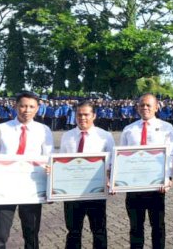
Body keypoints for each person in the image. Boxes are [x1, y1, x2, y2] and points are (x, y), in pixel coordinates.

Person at [0, 91, 54, 249]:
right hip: (4, 189)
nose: (27, 110)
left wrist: (52, 186)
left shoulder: (44, 131)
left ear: (38, 108)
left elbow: (50, 159)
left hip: (32, 189)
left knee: (31, 236)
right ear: (16, 106)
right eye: (23, 106)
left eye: (31, 106)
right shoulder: (0, 129)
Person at [119, 94, 173, 249]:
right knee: (135, 227)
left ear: (156, 107)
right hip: (134, 186)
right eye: (142, 105)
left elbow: (171, 154)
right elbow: (121, 158)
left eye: (148, 105)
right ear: (137, 107)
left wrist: (167, 177)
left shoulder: (166, 128)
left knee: (158, 226)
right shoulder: (128, 129)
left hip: (156, 186)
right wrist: (117, 180)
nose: (145, 108)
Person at [57, 100, 115, 249]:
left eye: (86, 114)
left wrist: (111, 179)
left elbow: (112, 163)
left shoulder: (105, 136)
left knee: (99, 231)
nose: (82, 118)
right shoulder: (67, 136)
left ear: (94, 115)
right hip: (71, 193)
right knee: (73, 231)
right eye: (79, 114)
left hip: (96, 191)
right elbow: (61, 162)